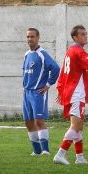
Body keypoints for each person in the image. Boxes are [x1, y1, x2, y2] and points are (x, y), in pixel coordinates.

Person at [53, 25, 88, 165]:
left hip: (71, 92)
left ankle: (80, 157)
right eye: (81, 34)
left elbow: (63, 72)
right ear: (74, 37)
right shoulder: (77, 51)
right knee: (76, 125)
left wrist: (60, 90)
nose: (85, 36)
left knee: (79, 126)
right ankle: (60, 154)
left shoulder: (71, 50)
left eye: (85, 34)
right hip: (76, 93)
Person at [22, 27, 60, 156]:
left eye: (32, 36)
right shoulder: (27, 54)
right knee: (28, 122)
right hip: (27, 92)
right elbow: (25, 71)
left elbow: (55, 68)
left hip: (38, 92)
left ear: (38, 38)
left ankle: (45, 150)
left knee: (39, 120)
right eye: (28, 36)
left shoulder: (42, 53)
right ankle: (37, 151)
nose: (30, 39)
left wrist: (48, 84)